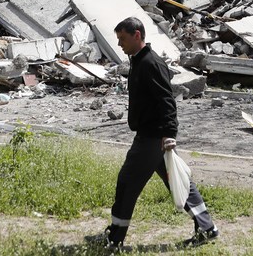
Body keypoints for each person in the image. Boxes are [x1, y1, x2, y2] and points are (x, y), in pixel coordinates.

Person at [88, 17, 218, 250]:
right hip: (152, 136)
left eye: (123, 39)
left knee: (127, 183)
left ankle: (114, 239)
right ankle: (207, 228)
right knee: (179, 181)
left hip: (152, 138)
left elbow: (167, 101)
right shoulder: (139, 61)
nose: (119, 44)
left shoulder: (151, 63)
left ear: (137, 35)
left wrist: (169, 134)